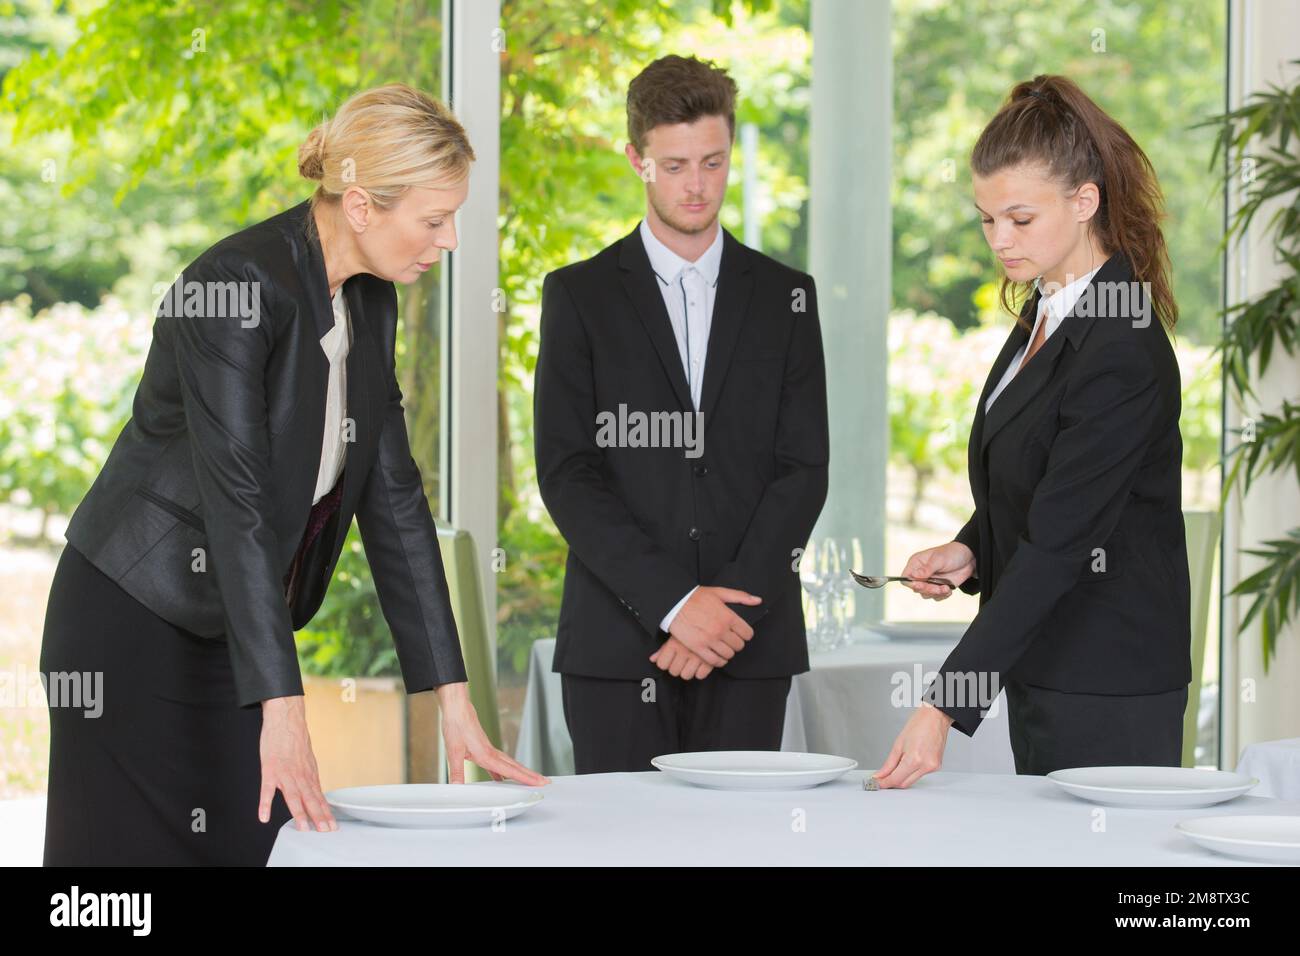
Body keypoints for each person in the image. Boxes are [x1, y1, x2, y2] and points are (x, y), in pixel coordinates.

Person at [41, 83, 547, 866]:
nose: (447, 241)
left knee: (252, 847)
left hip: (231, 634)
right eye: (434, 219)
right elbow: (237, 507)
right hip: (128, 627)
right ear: (361, 207)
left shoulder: (373, 302)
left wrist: (451, 698)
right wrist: (285, 707)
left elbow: (395, 500)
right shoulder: (235, 288)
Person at [873, 74, 1191, 786]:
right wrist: (971, 550)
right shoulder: (1046, 311)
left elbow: (1062, 541)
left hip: (1111, 679)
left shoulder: (1121, 345)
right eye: (987, 220)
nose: (999, 240)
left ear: (1085, 202)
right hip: (1051, 666)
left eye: (1020, 218)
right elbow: (1043, 481)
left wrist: (942, 707)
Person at [534, 54, 829, 773]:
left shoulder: (789, 295)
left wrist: (722, 621)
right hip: (616, 645)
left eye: (713, 161)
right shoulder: (579, 295)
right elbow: (568, 472)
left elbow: (803, 470)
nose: (696, 186)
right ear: (636, 159)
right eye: (673, 166)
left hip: (748, 643)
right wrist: (674, 605)